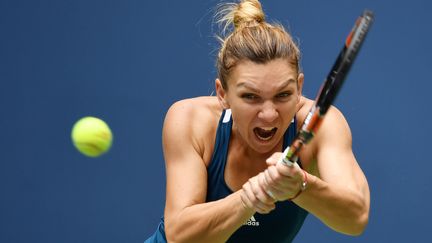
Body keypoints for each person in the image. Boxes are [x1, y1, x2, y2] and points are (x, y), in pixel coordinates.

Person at [145, 0, 370, 242]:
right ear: (223, 94)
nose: (269, 114)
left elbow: (355, 218)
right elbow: (180, 235)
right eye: (250, 96)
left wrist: (300, 186)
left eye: (283, 95)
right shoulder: (189, 119)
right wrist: (247, 198)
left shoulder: (322, 126)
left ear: (299, 88)